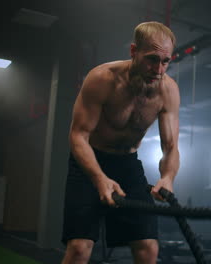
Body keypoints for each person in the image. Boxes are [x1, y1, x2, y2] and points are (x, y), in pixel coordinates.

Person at [61, 21, 180, 264]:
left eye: (165, 61)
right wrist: (99, 178)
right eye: (152, 59)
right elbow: (78, 136)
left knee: (148, 248)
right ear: (134, 51)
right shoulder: (102, 79)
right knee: (79, 249)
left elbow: (170, 147)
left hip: (127, 165)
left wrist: (168, 177)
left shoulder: (167, 91)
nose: (159, 69)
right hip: (89, 163)